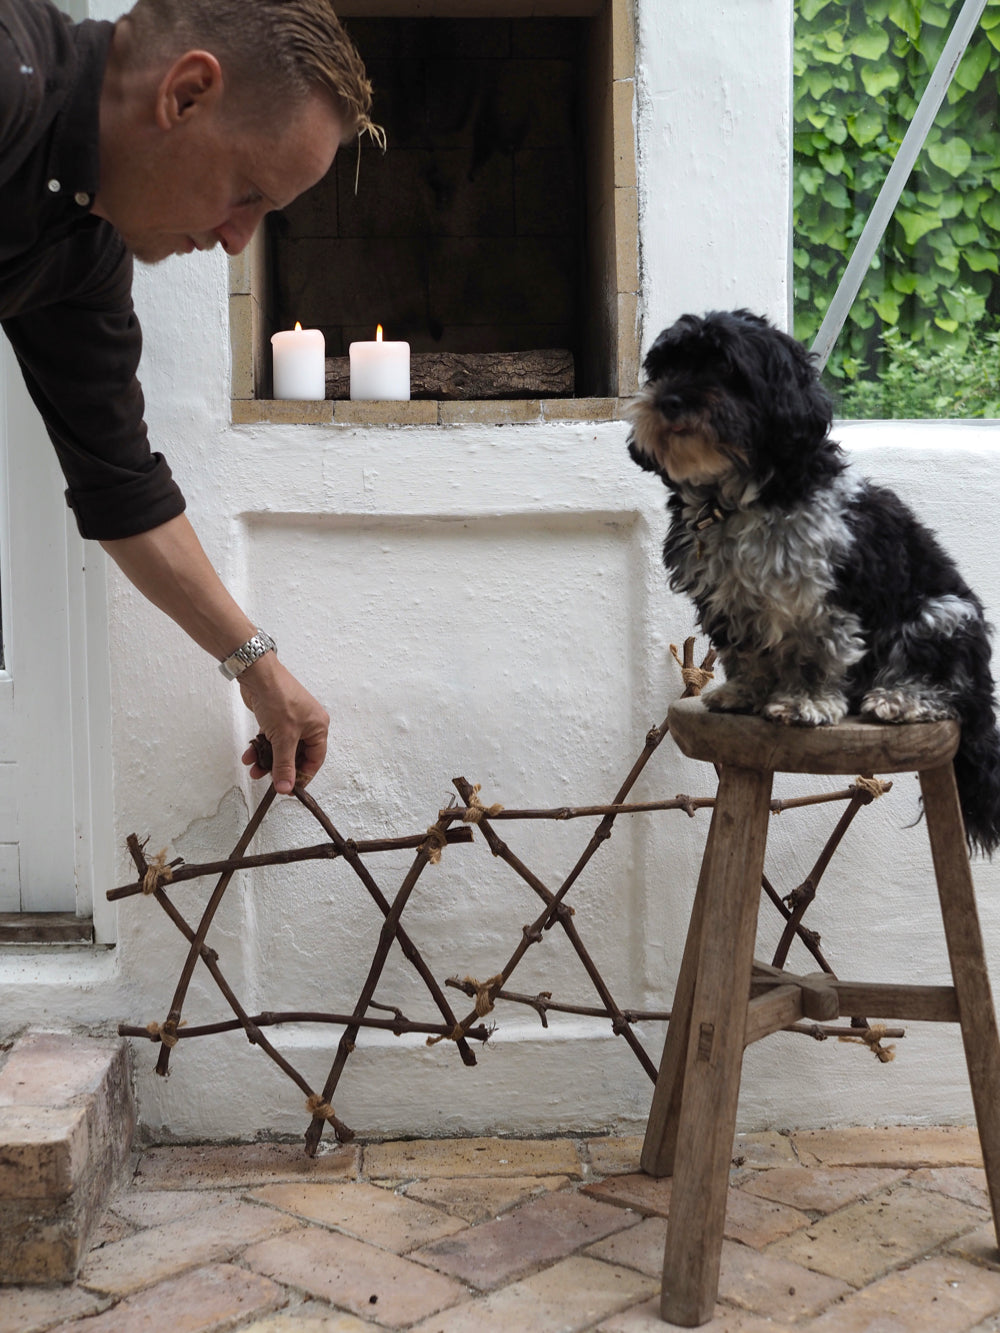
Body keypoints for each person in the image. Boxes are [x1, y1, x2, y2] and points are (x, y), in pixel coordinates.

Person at [0, 0, 376, 794]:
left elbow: (122, 485)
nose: (237, 239)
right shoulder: (10, 80)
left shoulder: (84, 245)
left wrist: (257, 666)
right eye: (248, 193)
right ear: (186, 93)